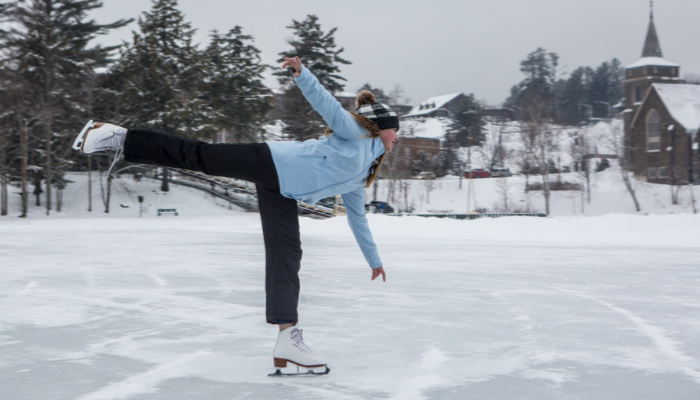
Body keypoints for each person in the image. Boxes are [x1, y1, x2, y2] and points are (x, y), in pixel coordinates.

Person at [72, 56, 400, 375]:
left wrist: (374, 260)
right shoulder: (356, 134)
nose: (398, 137)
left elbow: (358, 220)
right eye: (395, 131)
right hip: (271, 161)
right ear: (381, 127)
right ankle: (117, 136)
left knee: (287, 254)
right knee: (202, 155)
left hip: (282, 192)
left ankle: (288, 338)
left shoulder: (361, 177)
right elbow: (327, 105)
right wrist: (302, 74)